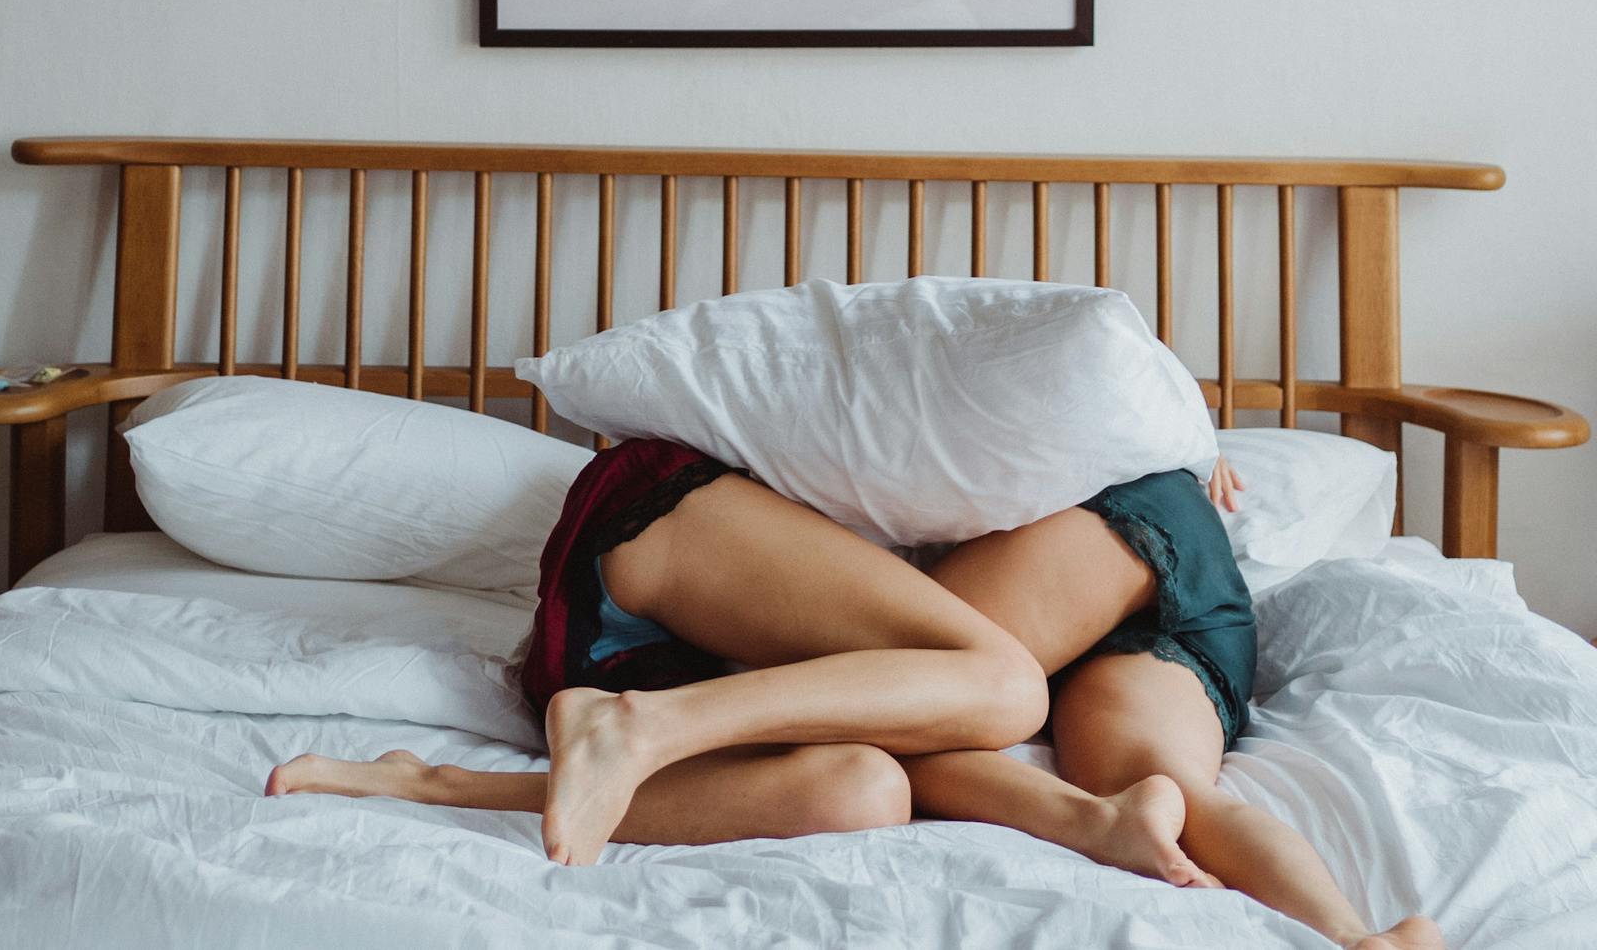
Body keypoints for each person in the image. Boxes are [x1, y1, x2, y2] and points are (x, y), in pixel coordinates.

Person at [268, 440, 1442, 950]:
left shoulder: (1147, 475)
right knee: (970, 702)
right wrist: (1165, 412)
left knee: (878, 779)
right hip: (667, 546)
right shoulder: (1092, 454)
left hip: (1150, 556)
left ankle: (1348, 932)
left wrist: (1174, 418)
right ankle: (634, 725)